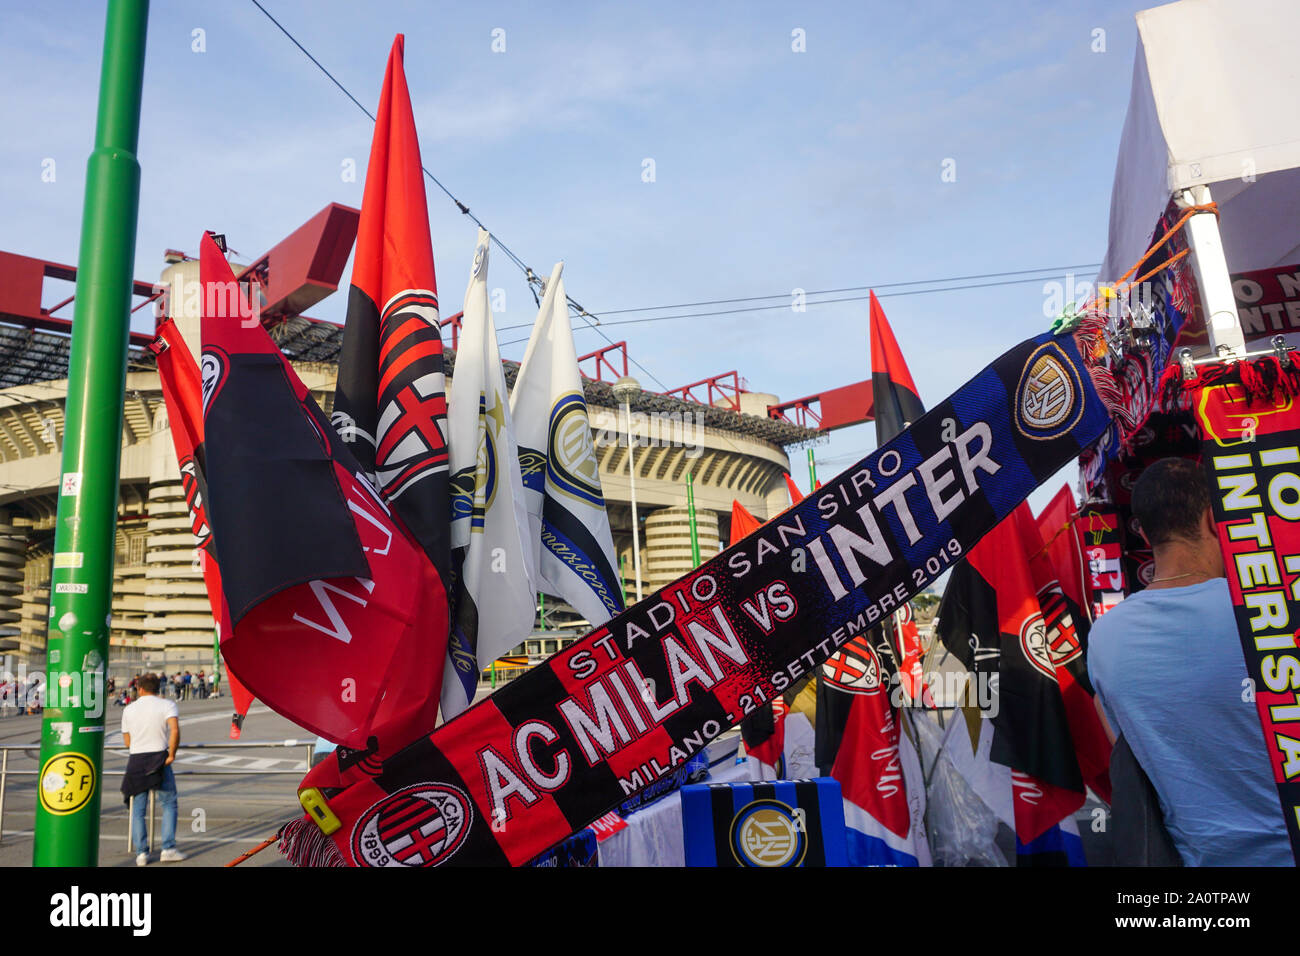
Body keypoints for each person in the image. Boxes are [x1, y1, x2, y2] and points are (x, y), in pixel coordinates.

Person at [1087, 457, 1293, 866]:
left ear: (1142, 532)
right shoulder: (1270, 615)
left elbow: (1128, 745)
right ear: (1214, 518)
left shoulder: (1105, 637)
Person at [120, 673, 186, 865]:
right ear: (158, 688)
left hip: (136, 760)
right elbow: (174, 729)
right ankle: (168, 848)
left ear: (139, 688)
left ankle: (141, 853)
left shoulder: (129, 709)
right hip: (159, 757)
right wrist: (171, 754)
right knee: (168, 804)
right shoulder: (167, 705)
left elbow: (126, 741)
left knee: (138, 809)